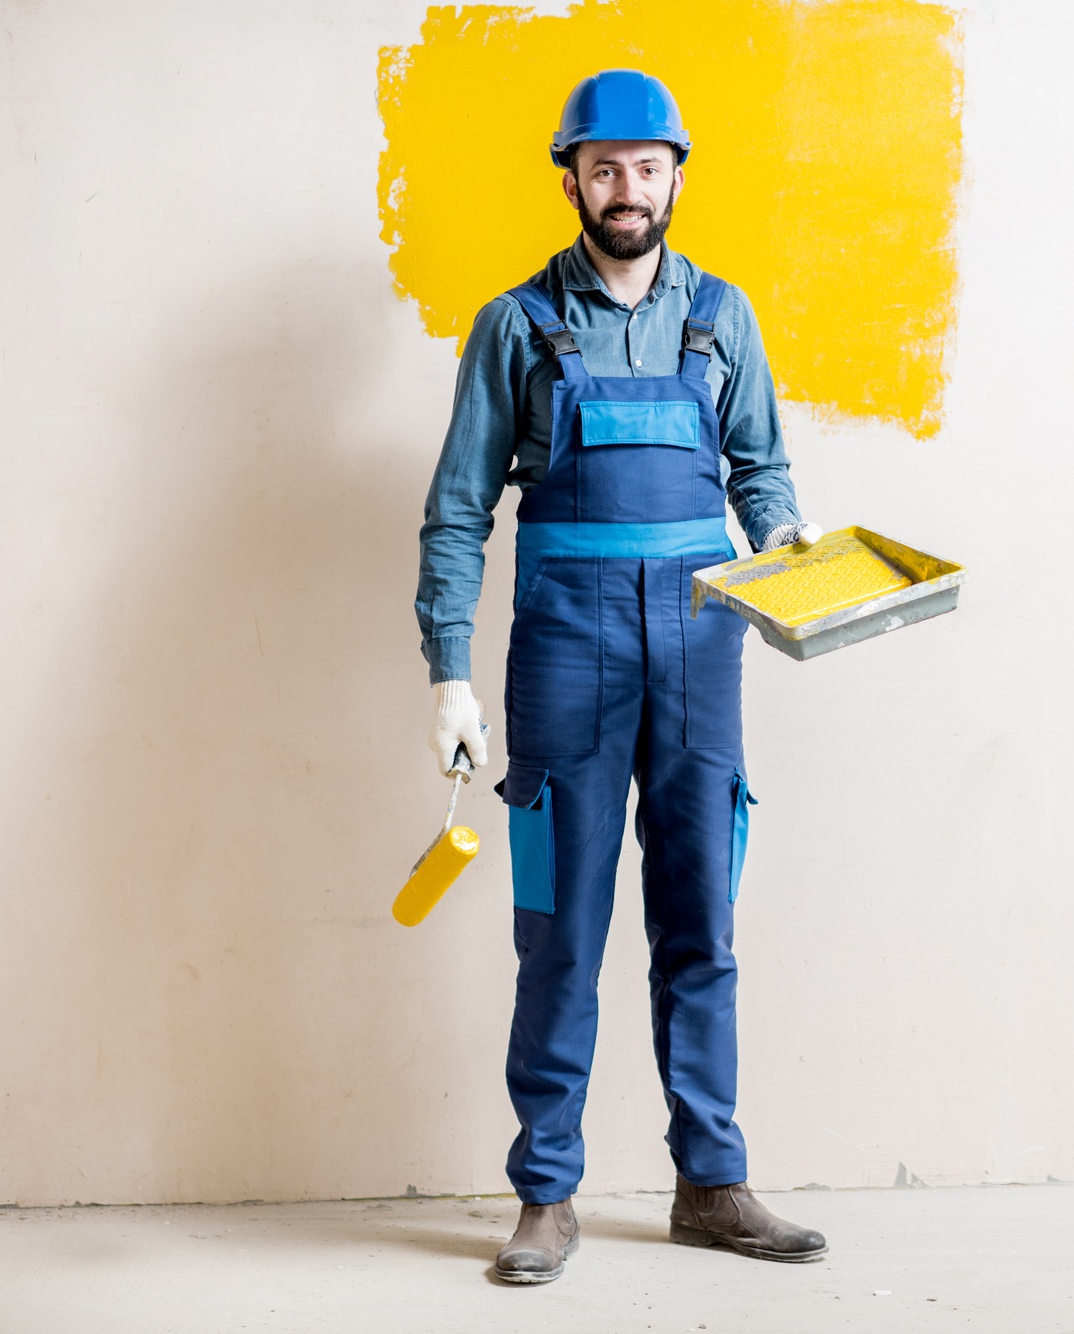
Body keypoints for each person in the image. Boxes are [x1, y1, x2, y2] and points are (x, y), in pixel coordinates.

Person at [413, 69, 829, 1284]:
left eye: (647, 166)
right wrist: (449, 671)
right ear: (571, 178)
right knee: (560, 926)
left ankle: (712, 1179)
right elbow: (454, 516)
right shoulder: (513, 323)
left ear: (675, 175)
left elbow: (762, 472)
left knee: (701, 919)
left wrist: (792, 544)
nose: (626, 188)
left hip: (704, 641)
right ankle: (545, 1189)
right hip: (563, 644)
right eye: (603, 167)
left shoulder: (724, 315)